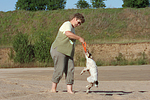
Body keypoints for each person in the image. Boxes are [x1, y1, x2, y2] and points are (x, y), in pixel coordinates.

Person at [50, 13, 85, 94]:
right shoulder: (67, 24)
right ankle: (53, 89)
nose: (79, 25)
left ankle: (69, 90)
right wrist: (79, 38)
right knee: (59, 69)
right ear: (75, 19)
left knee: (70, 70)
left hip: (68, 53)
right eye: (79, 22)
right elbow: (68, 34)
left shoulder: (73, 29)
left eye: (80, 23)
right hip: (59, 50)